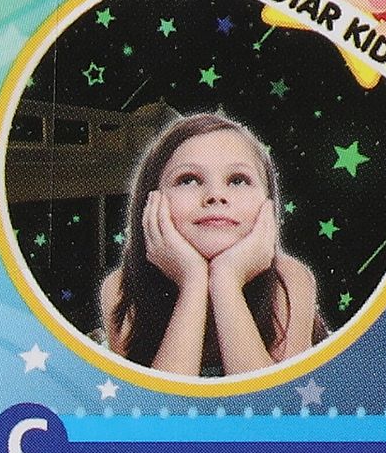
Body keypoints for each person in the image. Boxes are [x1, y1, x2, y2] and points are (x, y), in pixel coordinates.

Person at [97, 112, 324, 379]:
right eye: (188, 180)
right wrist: (192, 280)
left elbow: (269, 403)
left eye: (238, 180)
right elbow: (162, 405)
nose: (216, 195)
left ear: (268, 204)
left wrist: (227, 279)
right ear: (151, 202)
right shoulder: (121, 288)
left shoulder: (290, 279)